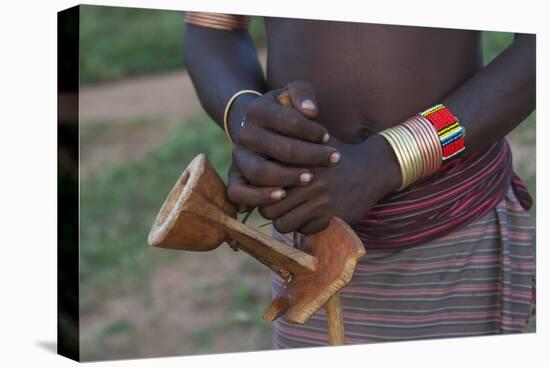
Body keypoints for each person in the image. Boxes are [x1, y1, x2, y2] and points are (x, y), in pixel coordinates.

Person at [183, 11, 536, 347]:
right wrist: (252, 121)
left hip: (453, 228)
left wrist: (387, 161)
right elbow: (213, 26)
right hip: (308, 249)